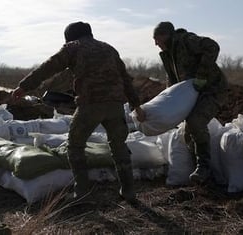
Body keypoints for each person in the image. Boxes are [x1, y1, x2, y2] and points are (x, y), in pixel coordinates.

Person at [12, 21, 145, 203]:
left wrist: (23, 87)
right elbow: (126, 80)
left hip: (90, 105)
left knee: (75, 145)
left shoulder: (73, 48)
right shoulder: (109, 49)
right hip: (115, 105)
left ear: (70, 37)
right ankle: (129, 191)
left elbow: (48, 67)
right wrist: (136, 105)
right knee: (119, 146)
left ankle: (82, 192)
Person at [153, 21, 228, 184]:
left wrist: (201, 75)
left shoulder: (186, 40)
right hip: (193, 94)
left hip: (212, 90)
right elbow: (172, 81)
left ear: (165, 35)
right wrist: (169, 103)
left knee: (196, 122)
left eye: (156, 39)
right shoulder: (168, 54)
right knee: (187, 133)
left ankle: (204, 167)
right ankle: (198, 170)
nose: (155, 43)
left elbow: (212, 46)